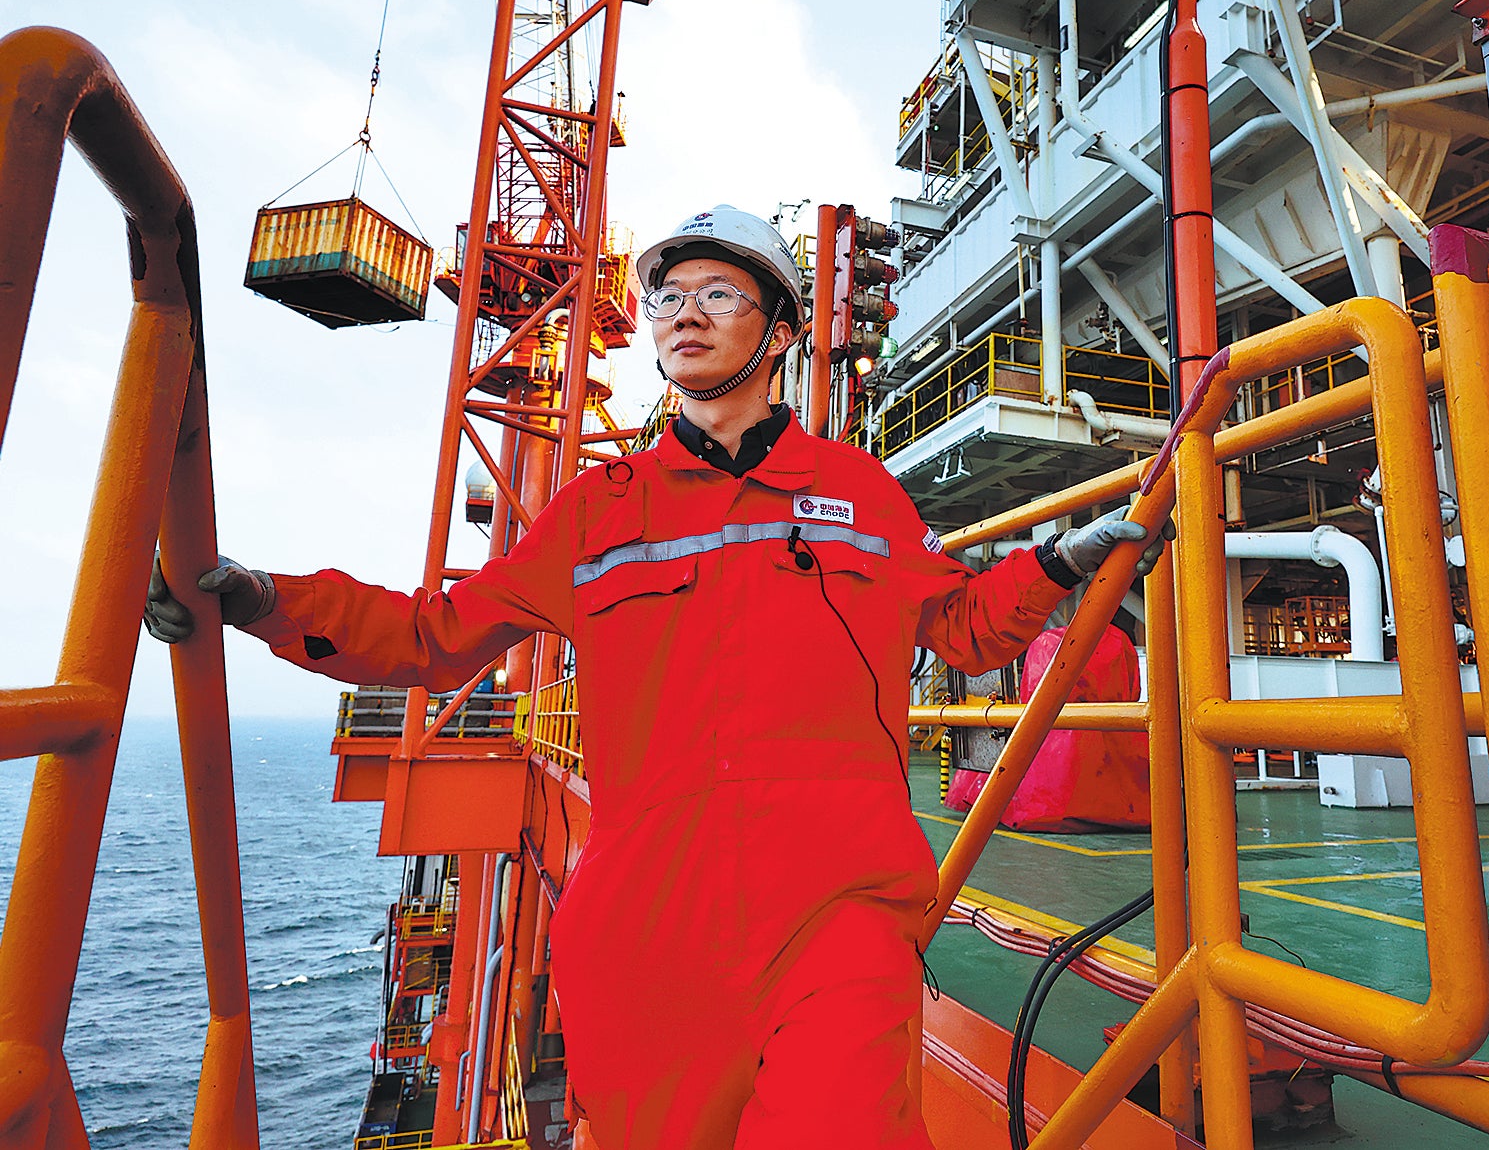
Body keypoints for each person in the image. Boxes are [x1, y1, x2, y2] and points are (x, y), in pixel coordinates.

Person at [146, 205, 1161, 1149]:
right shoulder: (599, 509)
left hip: (837, 899)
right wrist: (263, 599)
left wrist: (1065, 562)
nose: (686, 313)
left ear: (777, 333)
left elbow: (967, 624)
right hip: (648, 927)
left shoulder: (859, 493)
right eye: (672, 297)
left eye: (720, 293)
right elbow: (434, 637)